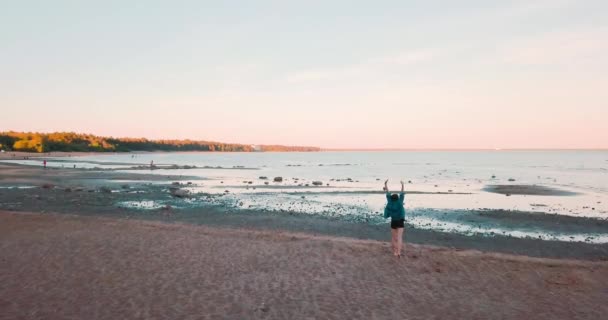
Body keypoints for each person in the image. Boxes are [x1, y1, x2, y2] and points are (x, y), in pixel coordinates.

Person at [383, 179, 406, 257]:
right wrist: (402, 185)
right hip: (400, 221)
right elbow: (402, 193)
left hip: (394, 221)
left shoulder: (390, 202)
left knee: (393, 238)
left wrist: (385, 184)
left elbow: (387, 193)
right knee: (399, 238)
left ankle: (395, 252)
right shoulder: (400, 202)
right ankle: (398, 252)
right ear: (397, 198)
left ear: (391, 198)